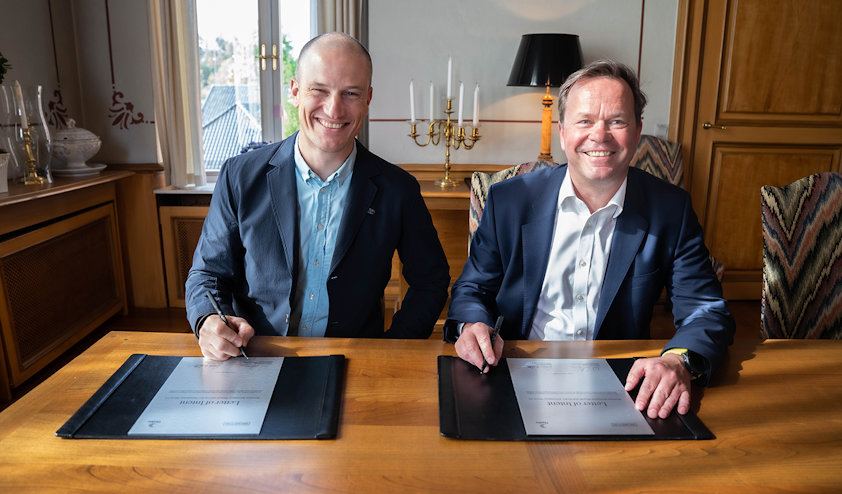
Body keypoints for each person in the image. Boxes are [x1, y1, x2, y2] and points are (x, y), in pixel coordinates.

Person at [445, 59, 734, 419]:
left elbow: (704, 308)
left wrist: (678, 361)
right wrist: (474, 325)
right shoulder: (510, 200)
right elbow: (472, 290)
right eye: (584, 121)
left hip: (622, 382)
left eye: (617, 121)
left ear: (638, 130)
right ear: (562, 131)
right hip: (514, 369)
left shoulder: (669, 209)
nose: (600, 135)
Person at [186, 32, 450, 360]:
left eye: (350, 93)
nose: (334, 108)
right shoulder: (239, 176)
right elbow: (208, 274)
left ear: (368, 99)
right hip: (253, 357)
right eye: (319, 90)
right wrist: (208, 320)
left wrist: (395, 345)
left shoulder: (399, 189)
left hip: (355, 362)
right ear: (295, 91)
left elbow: (432, 280)